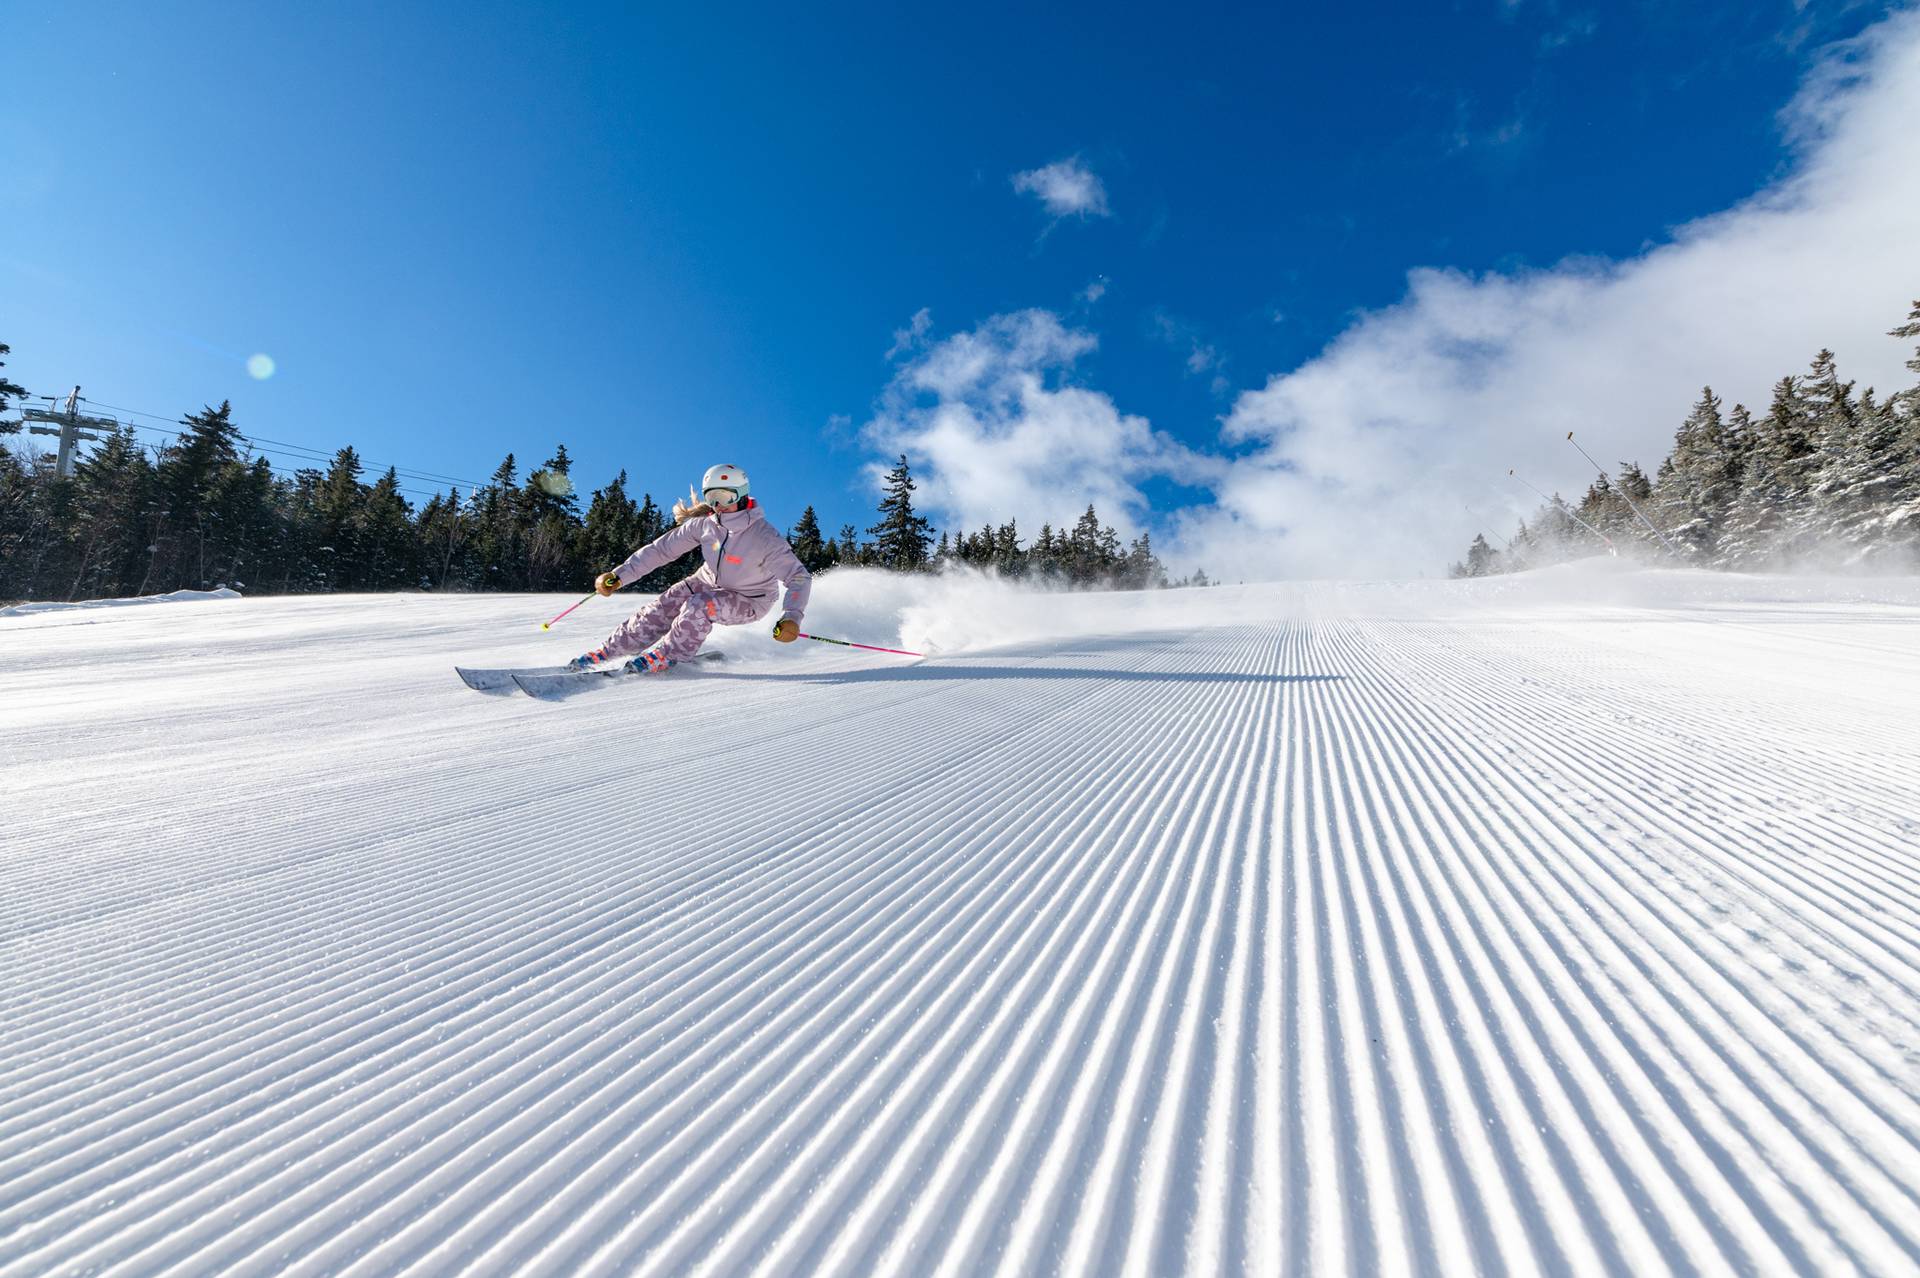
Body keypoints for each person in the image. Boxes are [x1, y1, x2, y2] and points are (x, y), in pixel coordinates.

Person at [569, 463, 811, 673]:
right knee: (666, 603)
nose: (718, 505)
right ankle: (611, 651)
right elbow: (660, 550)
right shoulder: (703, 526)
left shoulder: (763, 536)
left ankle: (670, 655)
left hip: (750, 598)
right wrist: (619, 575)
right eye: (711, 498)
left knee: (699, 606)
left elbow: (798, 577)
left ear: (740, 495)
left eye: (724, 498)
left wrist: (791, 617)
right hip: (707, 581)